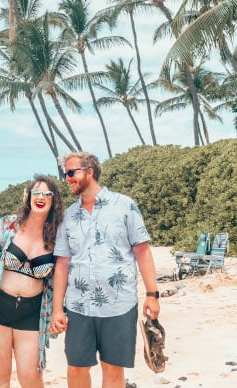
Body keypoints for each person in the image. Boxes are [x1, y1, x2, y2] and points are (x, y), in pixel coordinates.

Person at [50, 152, 160, 388]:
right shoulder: (67, 216)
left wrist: (153, 294)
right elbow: (62, 264)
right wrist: (57, 309)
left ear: (89, 172)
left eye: (71, 172)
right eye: (65, 174)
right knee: (77, 368)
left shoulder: (125, 205)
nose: (67, 178)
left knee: (112, 368)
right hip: (79, 306)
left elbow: (142, 250)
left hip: (120, 305)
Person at [0, 175, 64, 388]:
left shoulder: (57, 237)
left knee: (31, 378)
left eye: (47, 194)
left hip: (31, 313)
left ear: (54, 200)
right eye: (36, 192)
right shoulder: (7, 225)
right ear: (28, 197)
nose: (41, 197)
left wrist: (59, 311)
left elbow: (62, 277)